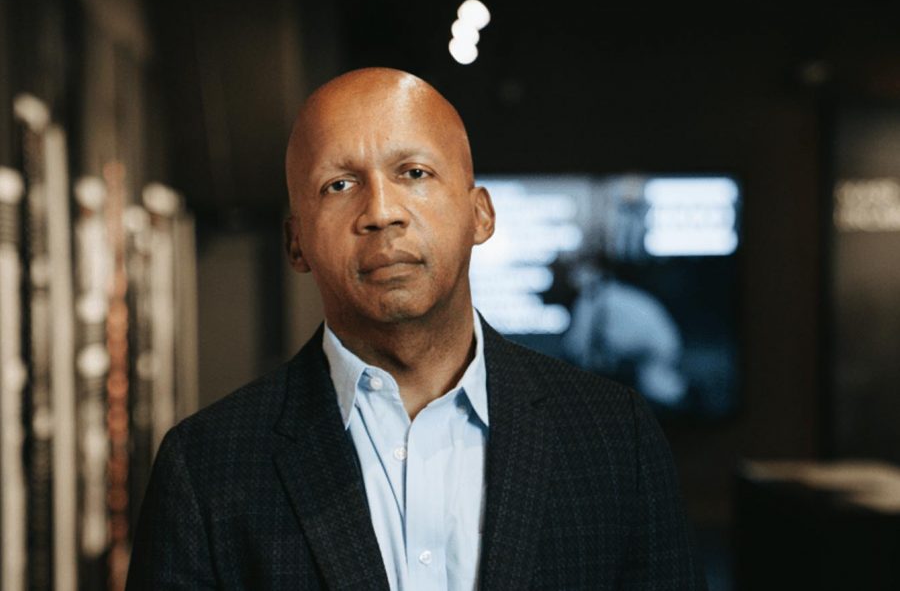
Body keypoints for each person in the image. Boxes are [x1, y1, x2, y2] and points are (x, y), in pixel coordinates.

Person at [125, 68, 706, 590]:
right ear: (296, 242)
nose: (381, 212)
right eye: (339, 185)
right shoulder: (205, 468)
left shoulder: (615, 438)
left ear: (480, 214)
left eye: (414, 172)